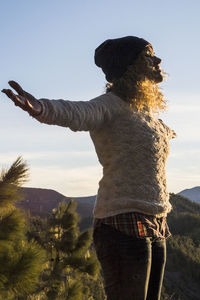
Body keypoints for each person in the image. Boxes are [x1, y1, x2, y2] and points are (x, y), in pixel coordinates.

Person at [2, 36, 176, 300]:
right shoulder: (110, 105)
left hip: (156, 221)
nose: (158, 60)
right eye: (148, 55)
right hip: (122, 222)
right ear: (130, 66)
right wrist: (42, 108)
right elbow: (77, 112)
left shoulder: (144, 113)